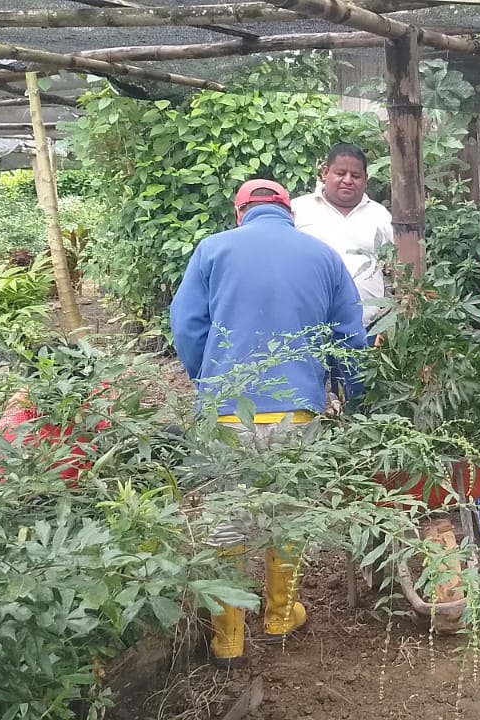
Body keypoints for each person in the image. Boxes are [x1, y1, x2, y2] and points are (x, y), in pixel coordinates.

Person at [170, 179, 369, 643]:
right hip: (297, 410)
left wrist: (208, 380)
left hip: (227, 414)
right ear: (289, 213)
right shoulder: (324, 256)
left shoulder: (212, 250)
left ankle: (228, 637)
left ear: (239, 213)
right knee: (287, 516)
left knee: (227, 523)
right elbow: (349, 338)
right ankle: (281, 616)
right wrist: (353, 397)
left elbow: (186, 325)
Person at [292, 144, 394, 335]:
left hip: (369, 331)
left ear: (365, 179)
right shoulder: (298, 211)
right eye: (340, 173)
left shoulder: (380, 216)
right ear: (325, 172)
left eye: (355, 176)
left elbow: (396, 268)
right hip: (307, 331)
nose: (347, 180)